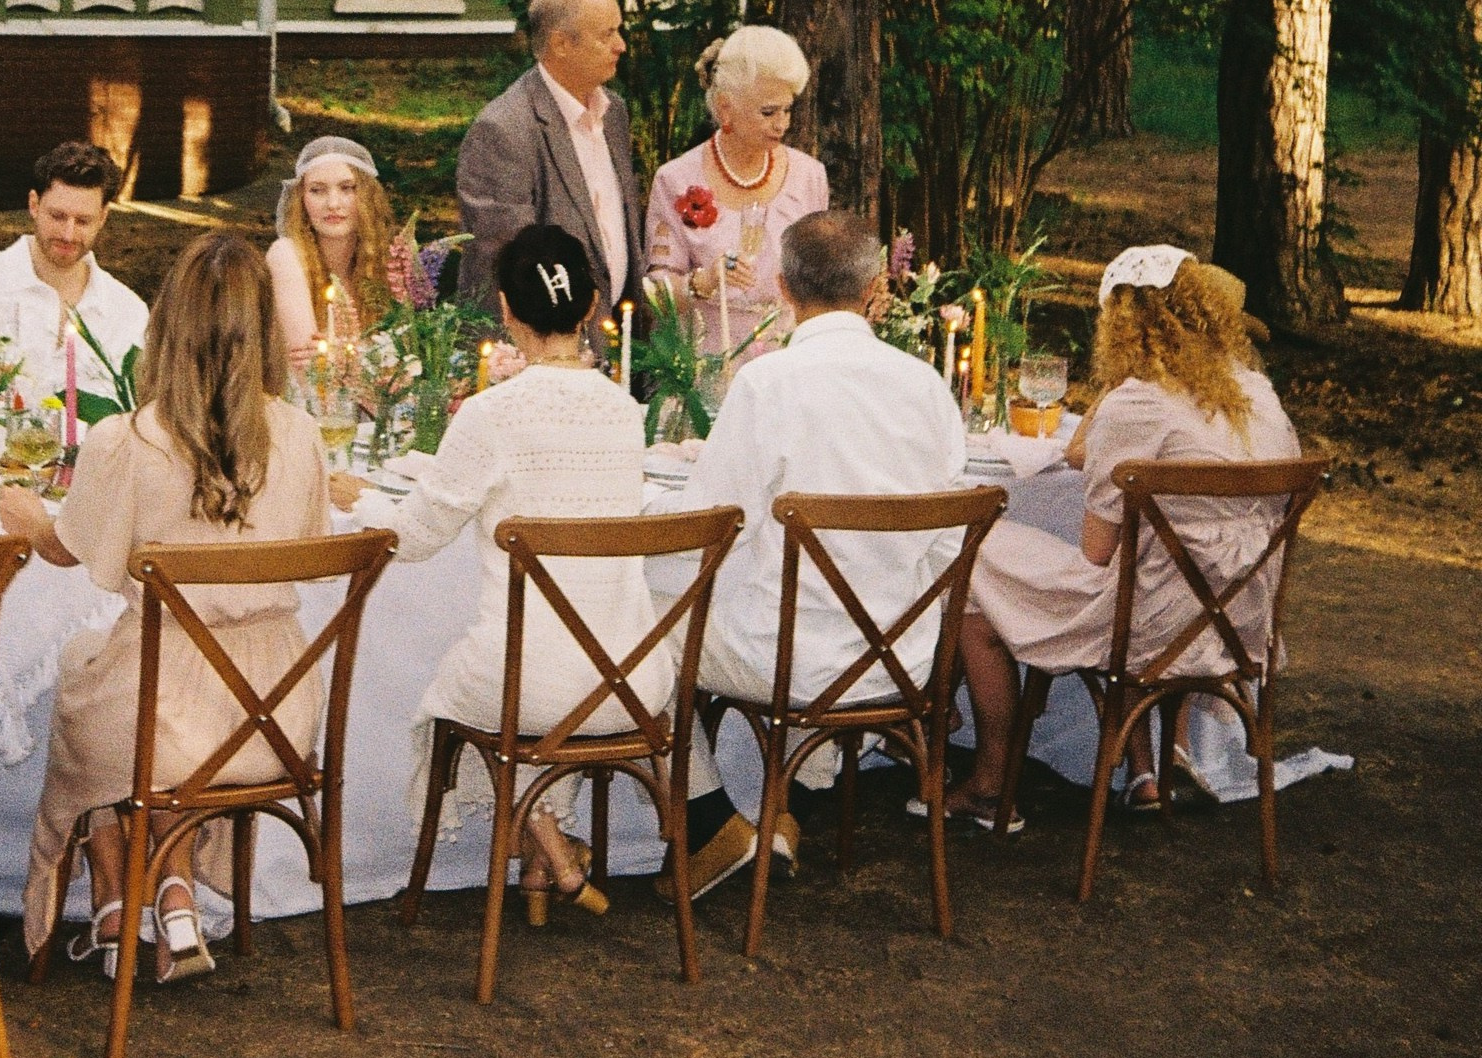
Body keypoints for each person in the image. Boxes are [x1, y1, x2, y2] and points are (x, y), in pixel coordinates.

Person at [0, 233, 331, 986]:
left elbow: (71, 549)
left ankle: (120, 905)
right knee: (121, 685)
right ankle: (166, 896)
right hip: (276, 713)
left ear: (168, 323)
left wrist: (27, 517)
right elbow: (309, 543)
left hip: (176, 717)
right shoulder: (301, 436)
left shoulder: (129, 438)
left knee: (94, 683)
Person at [327, 224, 664, 923]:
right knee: (515, 666)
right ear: (593, 302)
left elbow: (414, 538)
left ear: (506, 311)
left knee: (459, 687)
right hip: (632, 680)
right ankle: (549, 856)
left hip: (534, 690)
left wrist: (362, 497)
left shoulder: (490, 413)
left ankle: (553, 850)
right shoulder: (627, 413)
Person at [670, 210, 967, 895]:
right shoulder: (925, 385)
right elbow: (949, 537)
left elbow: (709, 524)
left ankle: (712, 816)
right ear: (875, 290)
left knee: (641, 630)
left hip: (792, 658)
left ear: (781, 286)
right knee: (828, 601)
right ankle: (786, 815)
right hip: (901, 655)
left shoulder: (767, 383)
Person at [953, 246, 1302, 825]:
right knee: (1171, 569)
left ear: (1123, 324)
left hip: (1152, 623)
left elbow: (1096, 551)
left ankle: (990, 777)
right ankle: (1158, 762)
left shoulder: (1137, 403)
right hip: (1241, 619)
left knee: (974, 561)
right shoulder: (1256, 396)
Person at [456, 0, 643, 357]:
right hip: (541, 356)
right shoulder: (504, 130)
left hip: (614, 348)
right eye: (607, 34)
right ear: (561, 43)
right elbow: (512, 271)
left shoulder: (615, 114)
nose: (620, 45)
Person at [644, 26, 832, 369]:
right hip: (702, 365)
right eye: (768, 112)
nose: (782, 124)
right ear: (725, 108)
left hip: (787, 364)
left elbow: (819, 282)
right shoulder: (675, 179)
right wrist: (704, 281)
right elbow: (654, 295)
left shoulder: (810, 176)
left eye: (787, 110)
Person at [0, 140, 149, 410]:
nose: (68, 233)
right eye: (57, 216)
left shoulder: (128, 312)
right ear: (34, 204)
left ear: (103, 217)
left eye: (83, 221)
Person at [265, 134, 398, 375]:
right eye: (317, 190)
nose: (333, 204)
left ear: (367, 196)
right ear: (301, 198)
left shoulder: (386, 258)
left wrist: (340, 353)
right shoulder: (286, 255)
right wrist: (367, 354)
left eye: (347, 188)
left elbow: (407, 357)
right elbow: (311, 372)